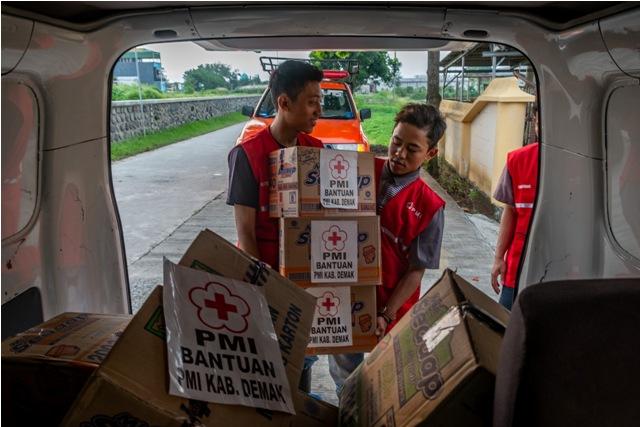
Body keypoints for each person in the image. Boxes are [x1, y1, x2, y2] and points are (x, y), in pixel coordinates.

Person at [329, 103, 447, 394]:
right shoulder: (360, 172)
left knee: (390, 381)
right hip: (347, 295)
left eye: (412, 149)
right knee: (346, 378)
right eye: (396, 142)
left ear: (430, 154)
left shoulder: (429, 207)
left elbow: (416, 271)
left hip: (393, 307)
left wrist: (386, 313)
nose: (399, 154)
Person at [226, 60, 324, 392]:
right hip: (265, 285)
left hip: (308, 283)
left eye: (319, 101)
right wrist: (266, 295)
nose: (318, 110)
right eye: (312, 101)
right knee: (268, 372)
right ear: (284, 103)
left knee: (302, 368)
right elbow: (246, 235)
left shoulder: (316, 151)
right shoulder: (248, 155)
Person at [491, 106, 539, 310]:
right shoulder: (518, 160)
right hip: (518, 267)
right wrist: (498, 258)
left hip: (565, 272)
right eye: (539, 121)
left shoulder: (581, 165)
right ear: (535, 123)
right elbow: (510, 211)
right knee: (505, 328)